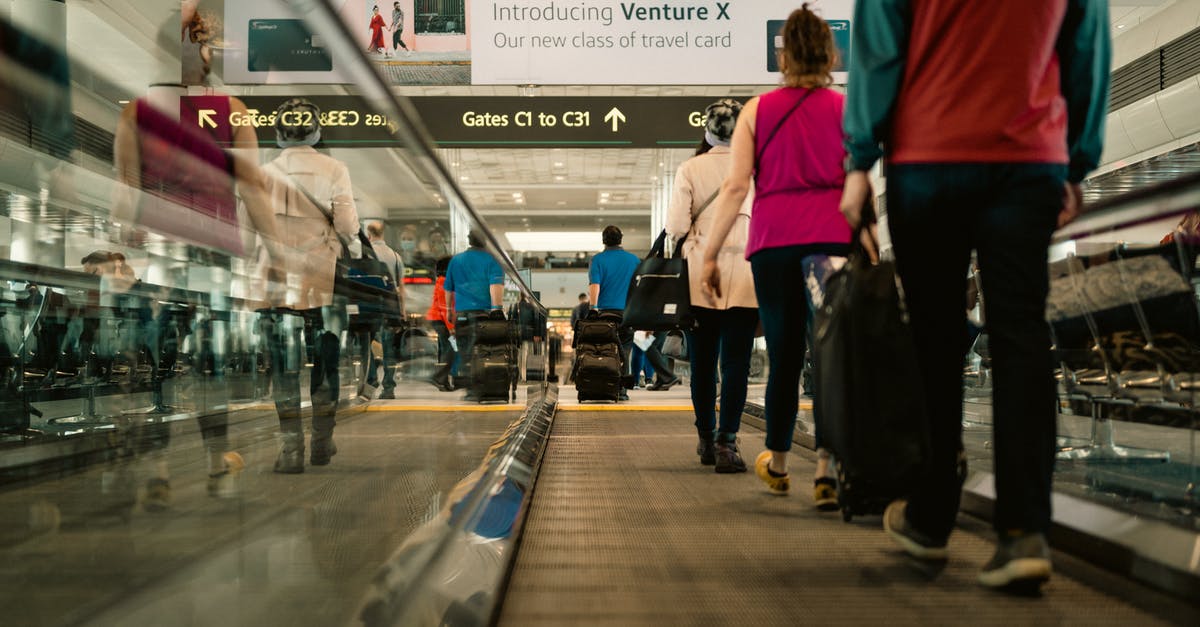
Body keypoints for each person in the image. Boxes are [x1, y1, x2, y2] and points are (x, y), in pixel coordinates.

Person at [841, 0, 1110, 590]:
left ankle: (931, 513)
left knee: (935, 343)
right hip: (1027, 158)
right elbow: (1087, 47)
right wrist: (1077, 161)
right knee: (1020, 338)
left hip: (928, 157)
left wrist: (861, 160)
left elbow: (879, 50)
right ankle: (1023, 531)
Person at [701, 6, 851, 505]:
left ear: (783, 55)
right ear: (830, 54)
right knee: (830, 355)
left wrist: (708, 255)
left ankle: (781, 462)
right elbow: (860, 181)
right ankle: (828, 466)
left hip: (773, 244)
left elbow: (735, 187)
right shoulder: (845, 108)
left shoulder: (758, 111)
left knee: (785, 354)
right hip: (831, 240)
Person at [259, 97, 360, 473]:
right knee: (326, 363)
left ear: (280, 133)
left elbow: (246, 225)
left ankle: (290, 451)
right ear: (316, 131)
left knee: (283, 368)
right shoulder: (335, 168)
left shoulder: (264, 172)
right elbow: (348, 227)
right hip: (321, 280)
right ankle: (321, 441)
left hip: (275, 284)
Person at [668, 98, 758, 473]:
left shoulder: (691, 168)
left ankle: (705, 437)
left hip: (700, 276)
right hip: (746, 275)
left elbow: (674, 227)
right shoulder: (756, 171)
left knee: (703, 362)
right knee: (736, 361)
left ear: (706, 131)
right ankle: (728, 442)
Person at [444, 231, 504, 398]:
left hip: (462, 314)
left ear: (469, 241)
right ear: (485, 241)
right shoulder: (492, 259)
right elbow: (495, 286)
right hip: (483, 315)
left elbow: (448, 288)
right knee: (484, 351)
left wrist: (449, 310)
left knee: (465, 353)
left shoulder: (456, 260)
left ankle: (470, 389)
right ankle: (482, 387)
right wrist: (496, 308)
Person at [588, 225, 641, 401]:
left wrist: (593, 308)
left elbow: (595, 285)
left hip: (606, 314)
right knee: (625, 351)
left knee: (606, 350)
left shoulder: (598, 260)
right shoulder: (634, 260)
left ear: (604, 240)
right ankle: (622, 391)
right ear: (621, 239)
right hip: (628, 312)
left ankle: (606, 387)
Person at [363, 220, 406, 400]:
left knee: (366, 345)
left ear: (368, 234)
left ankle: (371, 380)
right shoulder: (395, 256)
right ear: (383, 233)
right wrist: (402, 311)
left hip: (368, 306)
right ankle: (388, 387)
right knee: (389, 348)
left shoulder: (364, 254)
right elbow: (401, 287)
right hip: (389, 307)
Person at [427, 256, 457, 391]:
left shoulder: (443, 281)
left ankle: (443, 382)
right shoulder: (444, 282)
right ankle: (438, 377)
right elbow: (445, 307)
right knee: (450, 349)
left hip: (439, 319)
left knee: (445, 349)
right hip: (440, 320)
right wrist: (451, 327)